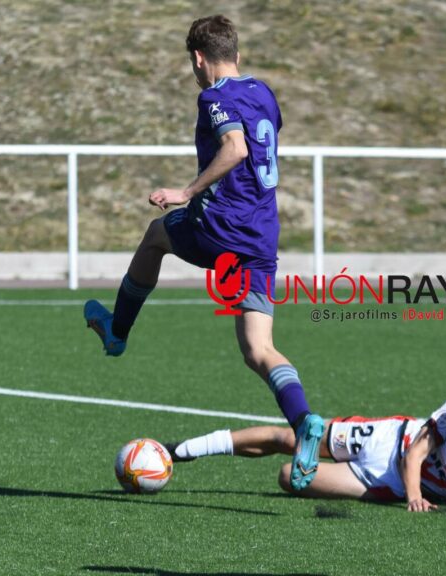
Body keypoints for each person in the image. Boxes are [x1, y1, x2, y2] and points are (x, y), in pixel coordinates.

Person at [83, 15, 325, 491]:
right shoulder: (264, 92)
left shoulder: (213, 96)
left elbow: (235, 148)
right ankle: (304, 422)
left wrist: (187, 191)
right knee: (259, 349)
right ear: (235, 51)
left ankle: (118, 331)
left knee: (156, 234)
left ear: (199, 58)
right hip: (261, 235)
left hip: (221, 224)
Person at [163, 377, 446, 511]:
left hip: (383, 482)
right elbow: (415, 455)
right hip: (386, 438)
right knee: (289, 438)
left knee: (289, 476)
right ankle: (179, 451)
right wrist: (416, 498)